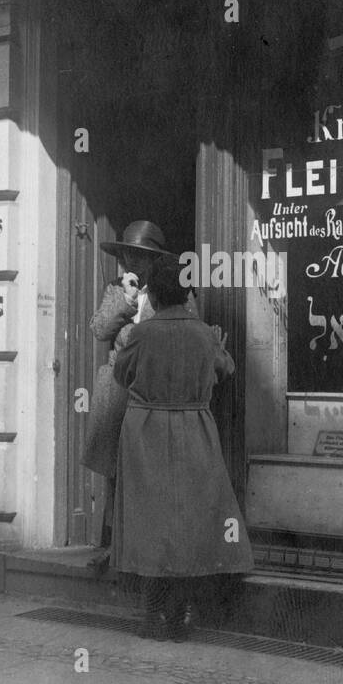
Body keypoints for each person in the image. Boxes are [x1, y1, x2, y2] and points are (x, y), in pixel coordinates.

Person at [111, 256, 254, 640]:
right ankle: (183, 612)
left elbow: (121, 374)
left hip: (147, 432)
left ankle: (154, 614)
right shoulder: (204, 333)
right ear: (187, 293)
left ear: (153, 296)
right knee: (190, 520)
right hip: (194, 429)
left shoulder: (143, 333)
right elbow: (226, 370)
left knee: (151, 522)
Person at [81, 220, 173, 555]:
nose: (131, 264)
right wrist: (127, 299)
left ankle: (143, 547)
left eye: (139, 257)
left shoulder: (168, 294)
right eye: (127, 257)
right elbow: (100, 329)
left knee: (146, 472)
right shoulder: (115, 290)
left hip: (149, 392)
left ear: (153, 261)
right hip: (118, 393)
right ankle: (115, 546)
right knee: (115, 471)